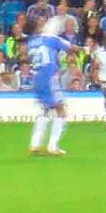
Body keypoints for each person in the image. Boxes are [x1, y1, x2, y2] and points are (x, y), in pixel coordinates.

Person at [27, 15, 77, 157]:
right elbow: (71, 48)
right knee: (61, 109)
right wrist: (86, 48)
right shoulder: (50, 38)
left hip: (37, 78)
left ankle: (35, 144)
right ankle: (53, 146)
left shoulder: (31, 42)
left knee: (46, 109)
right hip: (49, 76)